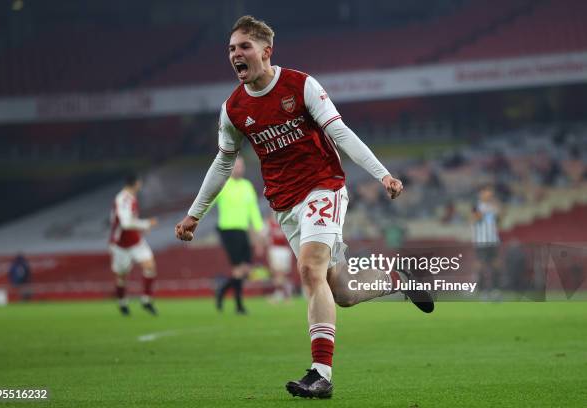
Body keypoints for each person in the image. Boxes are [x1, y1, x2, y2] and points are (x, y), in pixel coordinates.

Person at [175, 15, 434, 399]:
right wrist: (195, 213)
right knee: (339, 291)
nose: (235, 54)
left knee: (310, 269)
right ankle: (399, 279)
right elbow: (223, 163)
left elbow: (339, 132)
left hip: (323, 187)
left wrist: (383, 175)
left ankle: (320, 374)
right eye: (231, 48)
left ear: (266, 51)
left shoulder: (300, 85)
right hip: (285, 203)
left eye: (243, 46)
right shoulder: (233, 109)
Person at [213, 156, 264, 314]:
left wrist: (259, 229)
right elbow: (207, 201)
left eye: (241, 166)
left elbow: (253, 210)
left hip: (242, 230)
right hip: (227, 230)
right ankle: (239, 306)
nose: (239, 169)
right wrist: (194, 218)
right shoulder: (222, 184)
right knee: (238, 269)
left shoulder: (247, 186)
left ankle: (222, 290)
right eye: (236, 166)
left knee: (247, 268)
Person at [109, 173, 158, 316]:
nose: (140, 185)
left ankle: (146, 300)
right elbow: (125, 223)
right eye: (140, 182)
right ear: (136, 183)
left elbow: (130, 221)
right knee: (122, 276)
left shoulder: (130, 198)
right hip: (120, 244)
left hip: (135, 241)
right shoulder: (123, 199)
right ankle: (122, 303)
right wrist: (146, 223)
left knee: (150, 266)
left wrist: (141, 228)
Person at [471, 184, 502, 298]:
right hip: (481, 240)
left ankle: (495, 289)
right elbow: (475, 219)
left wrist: (497, 207)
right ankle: (481, 289)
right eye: (487, 192)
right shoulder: (476, 206)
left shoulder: (494, 206)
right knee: (481, 265)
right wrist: (487, 210)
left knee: (495, 264)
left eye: (491, 192)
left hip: (493, 240)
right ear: (481, 193)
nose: (489, 194)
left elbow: (499, 221)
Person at [265, 212, 293, 303]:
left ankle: (282, 294)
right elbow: (265, 235)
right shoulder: (270, 222)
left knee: (282, 273)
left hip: (285, 249)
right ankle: (282, 294)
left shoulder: (285, 220)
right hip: (275, 249)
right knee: (277, 272)